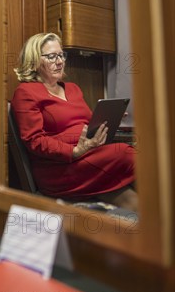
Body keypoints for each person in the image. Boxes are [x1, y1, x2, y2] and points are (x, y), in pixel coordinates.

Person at [11, 32, 138, 211]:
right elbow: (34, 140)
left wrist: (107, 120)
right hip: (58, 168)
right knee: (128, 154)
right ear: (34, 61)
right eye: (51, 56)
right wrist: (75, 151)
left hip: (89, 155)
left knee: (128, 194)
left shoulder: (73, 88)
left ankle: (157, 228)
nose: (60, 61)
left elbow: (84, 125)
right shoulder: (26, 92)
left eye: (61, 55)